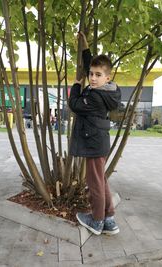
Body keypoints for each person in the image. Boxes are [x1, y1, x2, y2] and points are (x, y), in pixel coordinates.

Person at [69, 32, 121, 235]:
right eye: (91, 74)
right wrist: (84, 46)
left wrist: (75, 82)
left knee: (94, 183)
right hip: (99, 143)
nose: (92, 77)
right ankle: (109, 220)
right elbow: (93, 64)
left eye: (98, 75)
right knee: (102, 180)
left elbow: (74, 104)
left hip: (93, 145)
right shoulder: (107, 90)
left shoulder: (95, 98)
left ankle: (97, 220)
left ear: (107, 78)